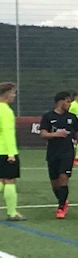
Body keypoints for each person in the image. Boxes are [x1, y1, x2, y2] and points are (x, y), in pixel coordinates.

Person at [39, 91, 78, 219]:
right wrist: (56, 134)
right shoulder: (48, 117)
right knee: (55, 183)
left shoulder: (72, 118)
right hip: (53, 154)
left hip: (67, 153)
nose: (69, 104)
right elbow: (43, 134)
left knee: (63, 178)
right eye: (67, 101)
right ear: (60, 101)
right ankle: (63, 200)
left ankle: (61, 208)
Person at [0, 82, 26, 221]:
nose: (14, 96)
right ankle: (12, 213)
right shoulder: (5, 110)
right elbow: (7, 132)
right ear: (6, 94)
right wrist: (11, 153)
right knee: (9, 180)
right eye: (13, 93)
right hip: (5, 150)